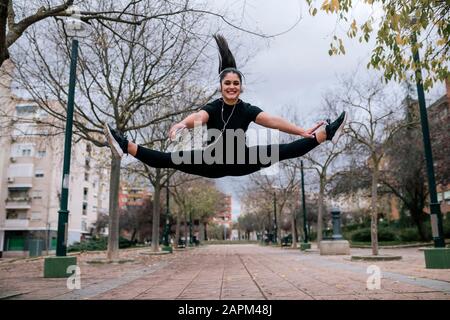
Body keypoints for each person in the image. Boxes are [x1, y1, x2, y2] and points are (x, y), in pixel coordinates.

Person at [104, 34, 347, 179]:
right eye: (227, 83)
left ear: (241, 87)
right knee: (168, 159)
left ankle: (325, 134)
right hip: (211, 161)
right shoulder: (213, 106)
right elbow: (197, 117)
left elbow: (273, 121)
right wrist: (181, 124)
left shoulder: (247, 109)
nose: (231, 87)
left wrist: (302, 131)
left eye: (236, 83)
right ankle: (124, 146)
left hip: (241, 159)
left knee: (284, 150)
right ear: (221, 86)